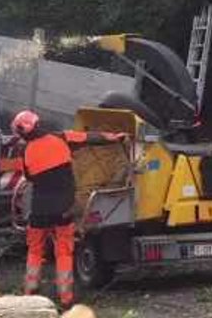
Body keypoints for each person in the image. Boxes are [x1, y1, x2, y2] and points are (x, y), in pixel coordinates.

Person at [11, 109, 126, 307]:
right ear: (38, 123)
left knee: (35, 251)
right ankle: (65, 297)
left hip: (39, 210)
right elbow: (89, 137)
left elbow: (29, 177)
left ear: (22, 133)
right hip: (64, 209)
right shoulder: (61, 138)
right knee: (64, 252)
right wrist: (115, 138)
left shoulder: (25, 151)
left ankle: (30, 292)